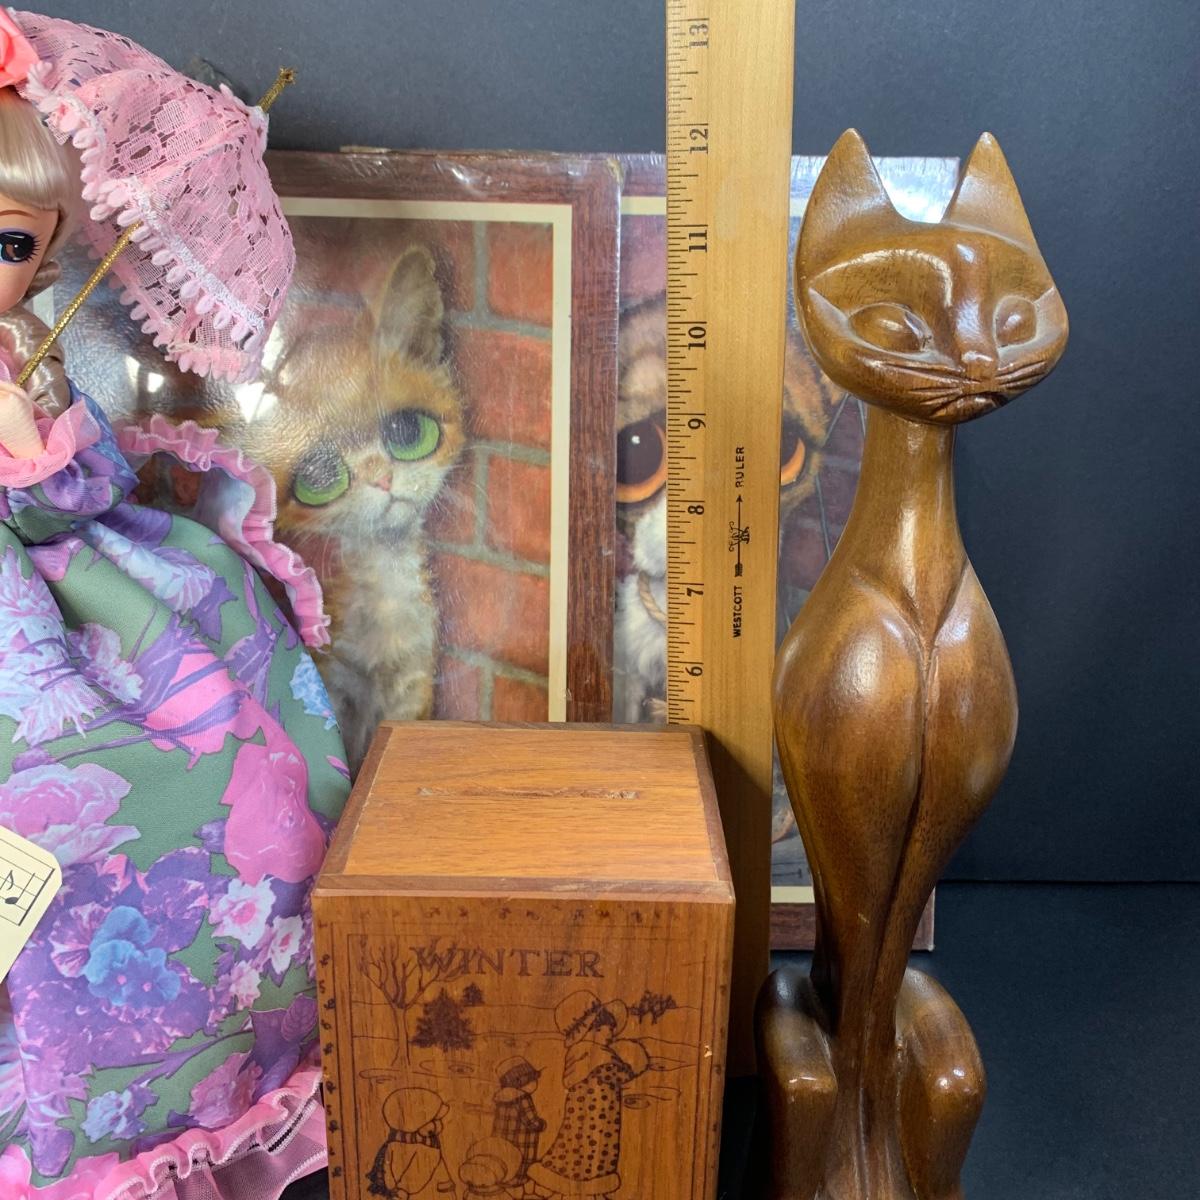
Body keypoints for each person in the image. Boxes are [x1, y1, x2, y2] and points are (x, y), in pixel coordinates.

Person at [0, 55, 348, 1200]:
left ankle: (169, 1072)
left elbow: (71, 493)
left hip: (43, 605)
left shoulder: (22, 360)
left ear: (49, 253)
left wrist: (38, 439)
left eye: (10, 242)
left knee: (195, 760)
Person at [526, 992, 650, 1199]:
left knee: (574, 1143)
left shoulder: (581, 1051)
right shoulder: (597, 1054)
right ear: (587, 1031)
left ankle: (566, 1184)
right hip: (598, 1116)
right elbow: (616, 1074)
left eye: (610, 1028)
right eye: (602, 1028)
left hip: (589, 1112)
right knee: (593, 1148)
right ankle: (584, 1186)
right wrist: (635, 1066)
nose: (609, 1033)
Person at [368, 1088, 456, 1199]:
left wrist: (445, 1182)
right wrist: (394, 1188)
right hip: (401, 1191)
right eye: (433, 1122)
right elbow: (387, 1168)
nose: (438, 1126)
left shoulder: (431, 1145)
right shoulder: (399, 1145)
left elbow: (438, 1165)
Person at [491, 1055, 546, 1188]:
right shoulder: (523, 1098)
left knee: (505, 1158)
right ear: (521, 1082)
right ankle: (519, 1178)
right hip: (522, 1142)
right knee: (522, 1160)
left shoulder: (501, 1099)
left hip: (503, 1141)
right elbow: (532, 1122)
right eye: (531, 1079)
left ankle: (504, 1176)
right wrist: (542, 1124)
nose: (535, 1082)